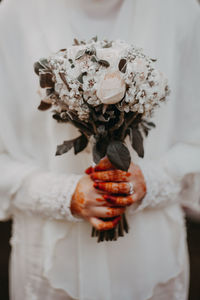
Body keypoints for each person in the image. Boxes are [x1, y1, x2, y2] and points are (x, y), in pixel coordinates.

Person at [0, 0, 199, 299]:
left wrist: (151, 181)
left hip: (153, 261)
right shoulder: (11, 14)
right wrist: (66, 195)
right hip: (49, 265)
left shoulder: (183, 10)